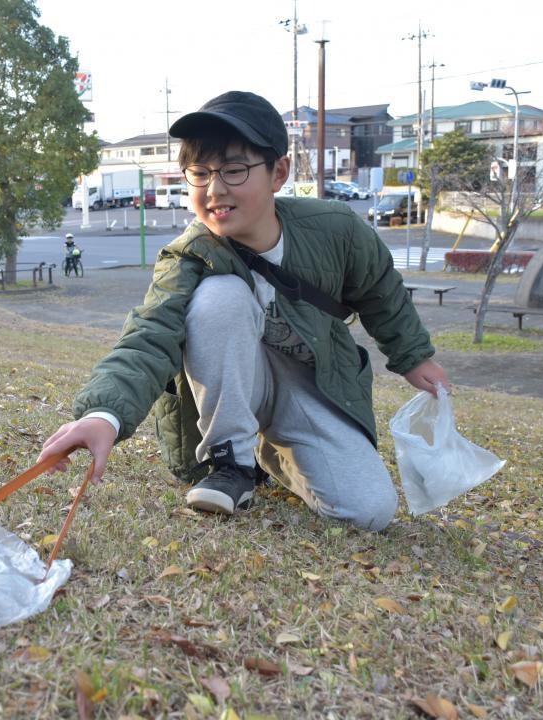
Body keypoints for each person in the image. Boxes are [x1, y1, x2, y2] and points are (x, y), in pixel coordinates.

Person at [38, 90, 449, 531]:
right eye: (199, 174)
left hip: (313, 386)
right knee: (220, 295)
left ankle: (275, 455)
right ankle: (232, 463)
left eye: (234, 171)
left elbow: (380, 289)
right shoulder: (188, 256)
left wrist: (413, 356)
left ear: (279, 173)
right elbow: (150, 333)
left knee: (369, 511)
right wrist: (105, 414)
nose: (215, 190)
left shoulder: (336, 229)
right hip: (231, 392)